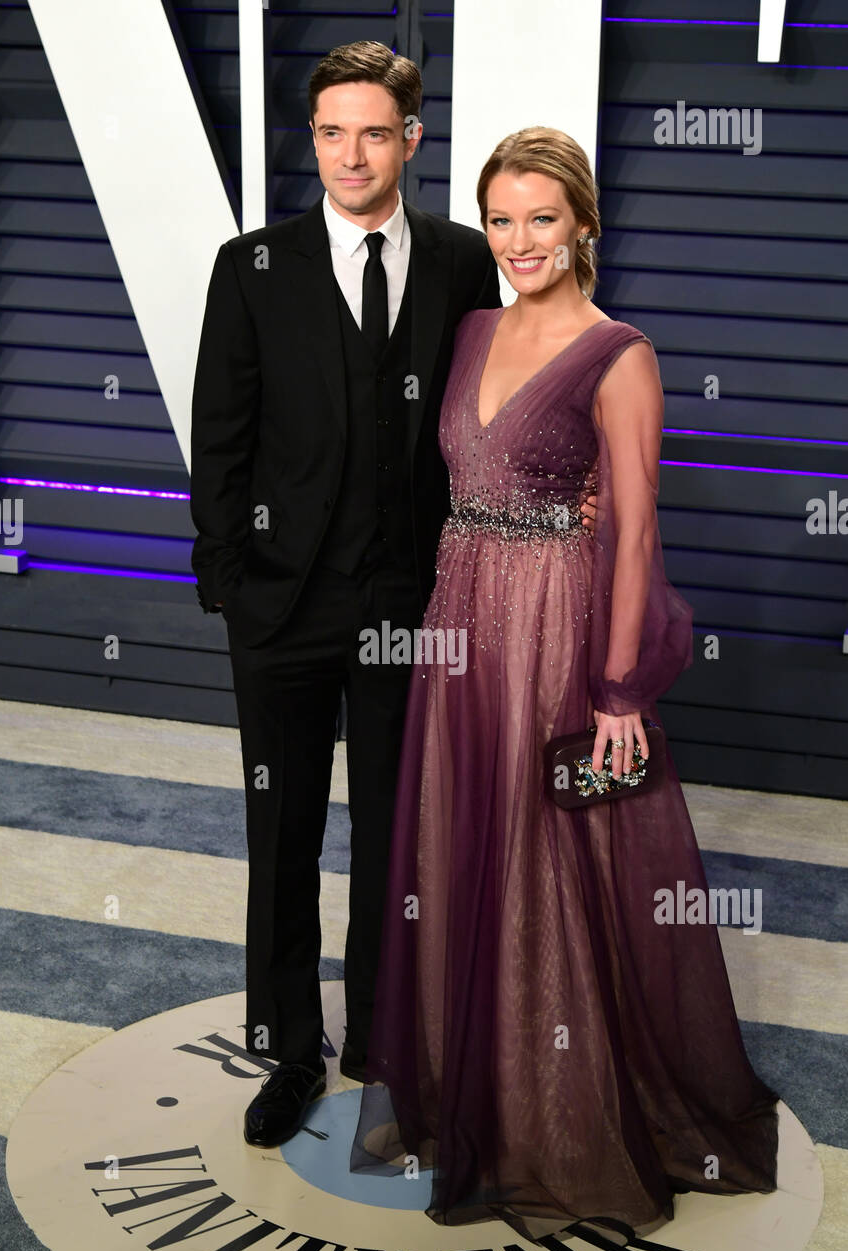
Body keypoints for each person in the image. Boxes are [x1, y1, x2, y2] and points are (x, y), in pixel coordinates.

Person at [351, 127, 780, 1244]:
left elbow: (635, 531)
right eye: (501, 219)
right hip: (461, 621)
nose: (519, 240)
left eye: (543, 217)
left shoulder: (618, 352)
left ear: (584, 222)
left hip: (553, 632)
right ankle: (470, 1090)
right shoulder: (474, 329)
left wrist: (621, 689)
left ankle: (560, 1116)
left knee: (548, 861)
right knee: (458, 848)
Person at [190, 42, 598, 1148]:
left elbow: (515, 395)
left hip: (411, 611)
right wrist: (229, 581)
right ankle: (288, 1054)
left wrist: (566, 505)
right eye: (330, 133)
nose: (350, 155)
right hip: (278, 608)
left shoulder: (468, 261)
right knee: (280, 837)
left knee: (394, 838)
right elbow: (219, 439)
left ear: (412, 140)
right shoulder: (254, 266)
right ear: (311, 139)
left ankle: (380, 1043)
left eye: (375, 132)